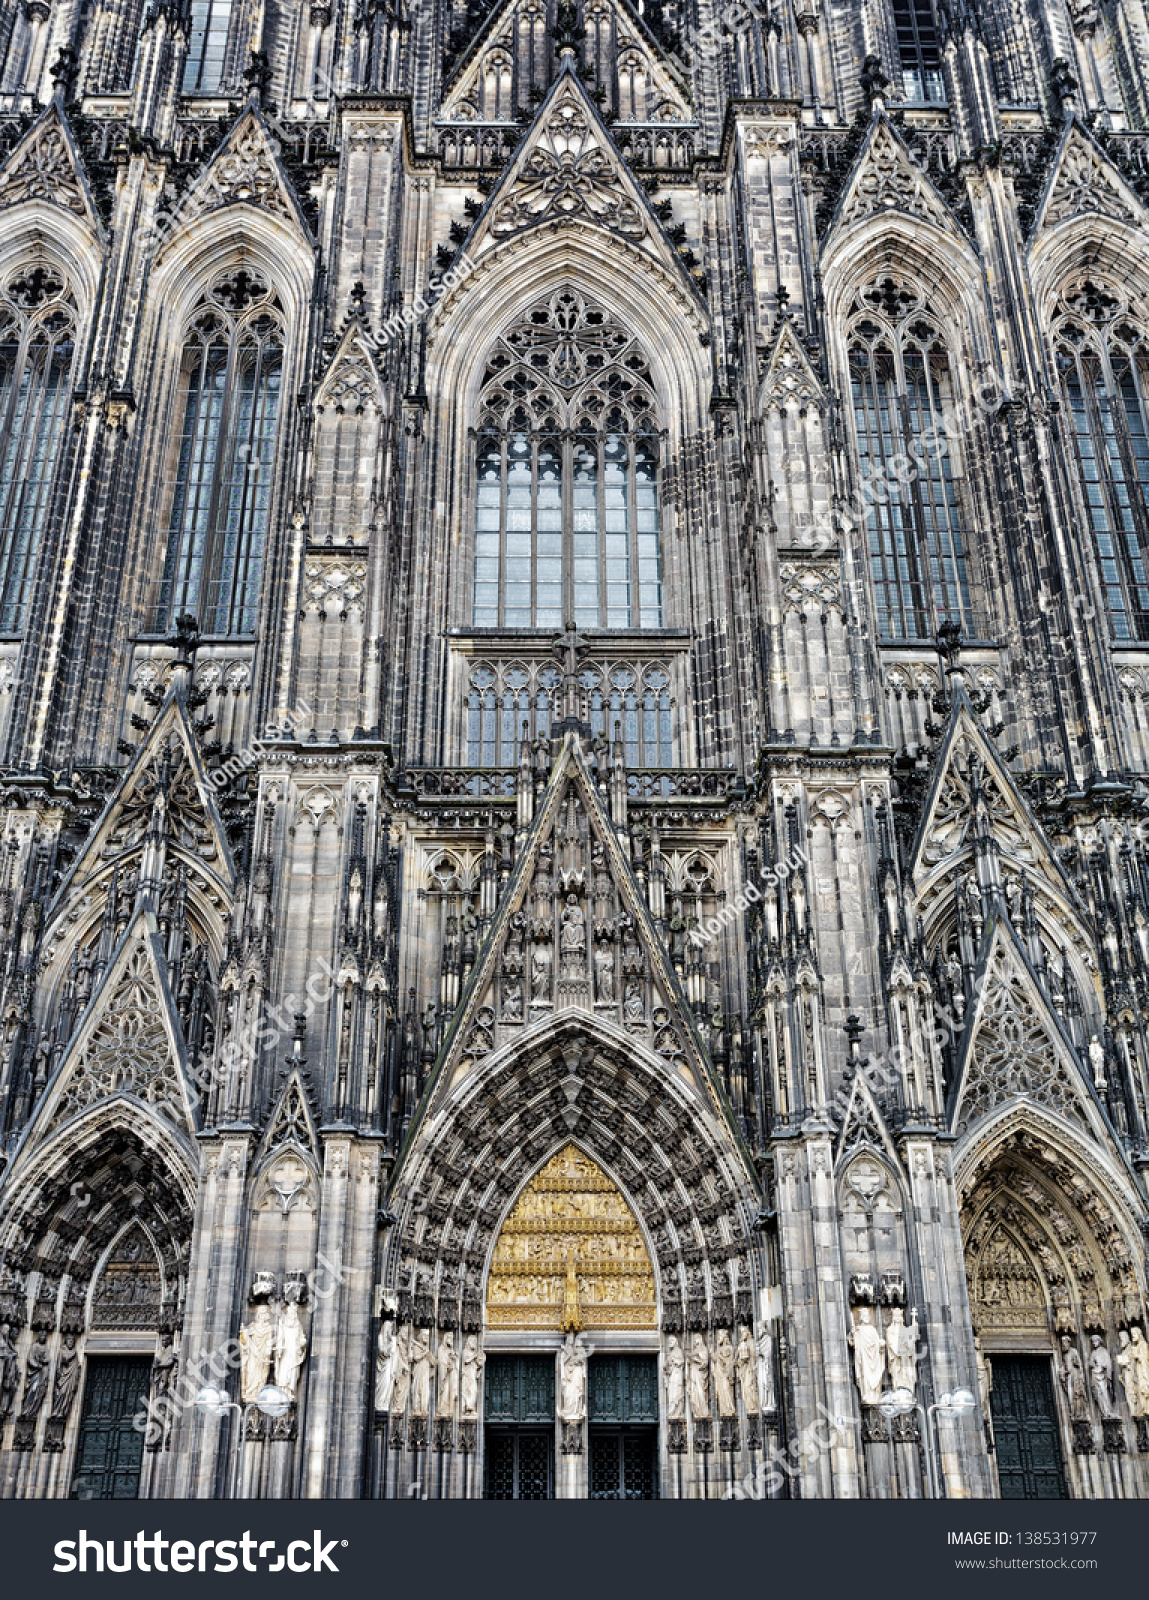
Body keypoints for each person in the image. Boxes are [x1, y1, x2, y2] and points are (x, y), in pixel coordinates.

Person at [848, 1307, 885, 1405]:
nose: (867, 1317)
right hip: (864, 1357)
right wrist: (853, 1334)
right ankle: (867, 1394)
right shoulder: (858, 1330)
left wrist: (881, 1344)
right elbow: (853, 1343)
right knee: (865, 1375)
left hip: (874, 1357)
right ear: (861, 1317)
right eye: (864, 1316)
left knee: (876, 1375)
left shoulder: (872, 1329)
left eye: (868, 1315)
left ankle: (876, 1395)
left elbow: (877, 1342)